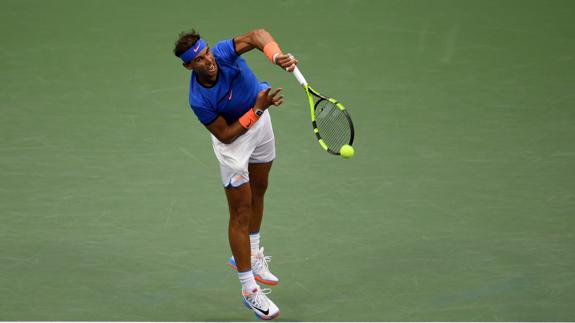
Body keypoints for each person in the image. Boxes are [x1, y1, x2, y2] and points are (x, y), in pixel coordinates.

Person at [173, 28, 298, 320]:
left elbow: (257, 36)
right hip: (236, 145)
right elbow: (226, 135)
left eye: (207, 53)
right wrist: (256, 109)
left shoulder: (222, 52)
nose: (209, 60)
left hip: (261, 122)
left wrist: (276, 56)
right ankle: (249, 291)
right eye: (200, 60)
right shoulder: (199, 100)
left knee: (261, 189)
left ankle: (253, 253)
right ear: (188, 66)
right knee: (240, 212)